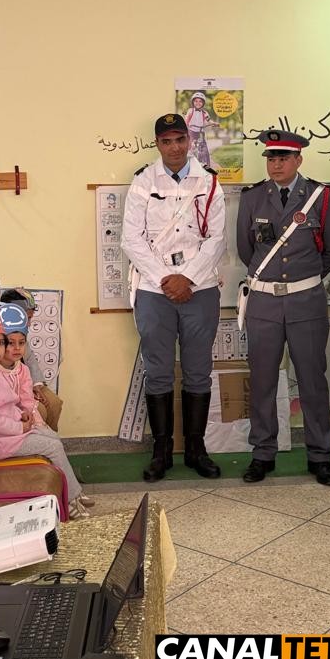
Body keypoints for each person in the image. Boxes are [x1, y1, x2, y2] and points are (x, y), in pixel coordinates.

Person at [121, 111, 226, 481]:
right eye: (167, 141)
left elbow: (217, 239)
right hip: (154, 289)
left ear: (189, 140)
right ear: (158, 144)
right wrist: (167, 278)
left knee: (198, 371)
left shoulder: (209, 182)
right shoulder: (142, 182)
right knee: (158, 372)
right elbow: (130, 239)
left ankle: (196, 450)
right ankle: (161, 451)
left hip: (200, 288)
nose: (175, 147)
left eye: (180, 139)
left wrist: (188, 279)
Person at [236, 129, 330, 484]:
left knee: (312, 381)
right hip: (264, 303)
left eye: (283, 158)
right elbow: (246, 249)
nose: (276, 164)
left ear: (299, 160)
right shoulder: (252, 198)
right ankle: (262, 453)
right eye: (271, 158)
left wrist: (302, 278)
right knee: (262, 380)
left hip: (305, 302)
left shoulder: (320, 197)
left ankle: (320, 455)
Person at [0, 300, 91, 518]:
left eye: (0, 343)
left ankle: (71, 492)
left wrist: (22, 415)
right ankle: (71, 499)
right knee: (53, 446)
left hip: (6, 434)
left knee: (52, 437)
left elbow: (6, 405)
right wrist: (20, 427)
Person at [0, 286, 64, 429]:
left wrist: (36, 385)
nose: (28, 324)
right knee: (40, 411)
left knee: (54, 403)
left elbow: (30, 360)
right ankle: (35, 436)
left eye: (30, 318)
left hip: (27, 382)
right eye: (27, 318)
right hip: (10, 390)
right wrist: (26, 392)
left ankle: (47, 437)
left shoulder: (21, 335)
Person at [184, 90, 212, 166]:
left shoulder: (205, 112)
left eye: (200, 101)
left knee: (204, 146)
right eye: (196, 101)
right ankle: (188, 161)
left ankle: (205, 163)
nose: (198, 103)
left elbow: (209, 120)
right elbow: (186, 119)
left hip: (200, 131)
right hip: (191, 131)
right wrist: (186, 125)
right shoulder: (190, 110)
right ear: (193, 102)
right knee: (191, 146)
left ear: (203, 103)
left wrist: (213, 123)